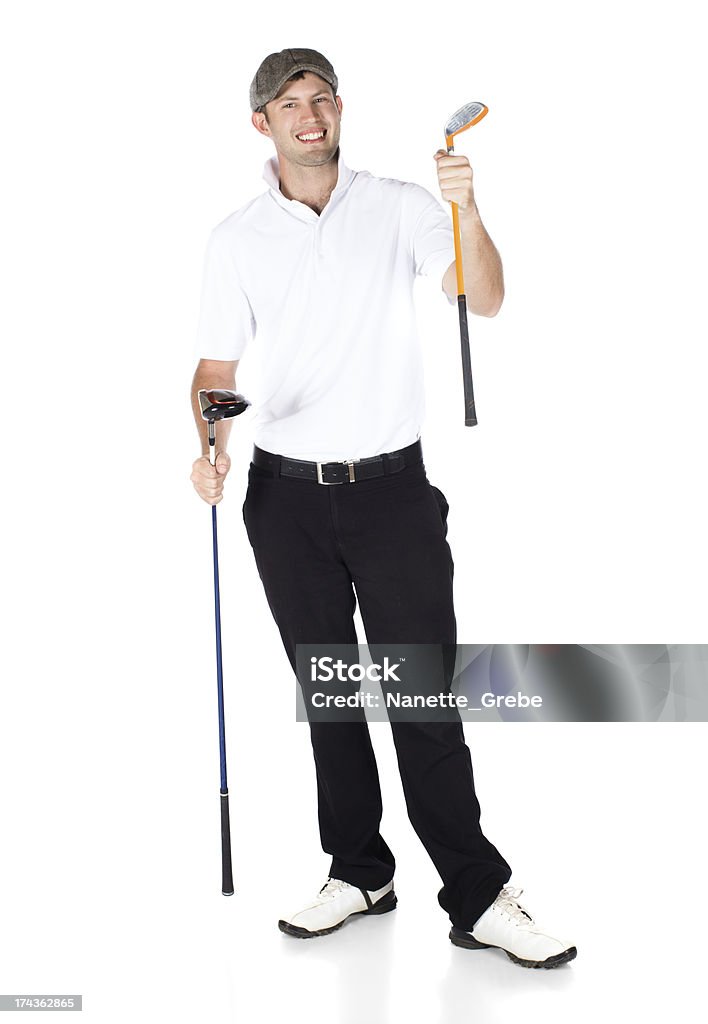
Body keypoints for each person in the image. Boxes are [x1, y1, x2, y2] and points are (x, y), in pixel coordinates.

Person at [190, 47, 576, 970]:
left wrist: (468, 208)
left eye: (322, 98)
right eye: (290, 104)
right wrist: (208, 450)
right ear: (262, 124)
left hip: (394, 495)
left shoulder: (404, 205)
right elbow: (212, 374)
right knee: (332, 699)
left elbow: (482, 298)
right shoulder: (236, 238)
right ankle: (360, 871)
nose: (310, 115)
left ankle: (478, 894)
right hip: (283, 500)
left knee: (419, 699)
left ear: (338, 110)